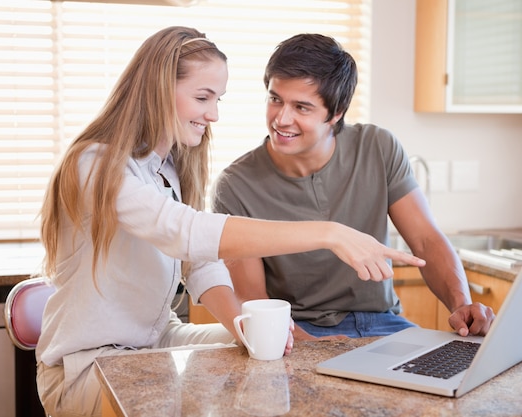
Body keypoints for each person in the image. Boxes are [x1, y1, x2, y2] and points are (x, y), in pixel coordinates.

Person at [35, 27, 425, 417]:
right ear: (156, 89)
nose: (214, 114)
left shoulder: (167, 170)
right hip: (87, 363)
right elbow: (184, 233)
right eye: (203, 98)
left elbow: (201, 263)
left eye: (217, 99)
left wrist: (243, 326)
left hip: (153, 340)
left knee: (268, 351)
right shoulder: (96, 164)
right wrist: (328, 233)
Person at [212, 33, 495, 342]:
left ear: (336, 113)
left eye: (301, 107)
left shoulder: (378, 147)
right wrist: (317, 348)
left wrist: (462, 304)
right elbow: (254, 301)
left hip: (385, 324)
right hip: (301, 332)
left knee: (463, 374)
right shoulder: (235, 186)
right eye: (275, 99)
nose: (281, 118)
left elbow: (426, 240)